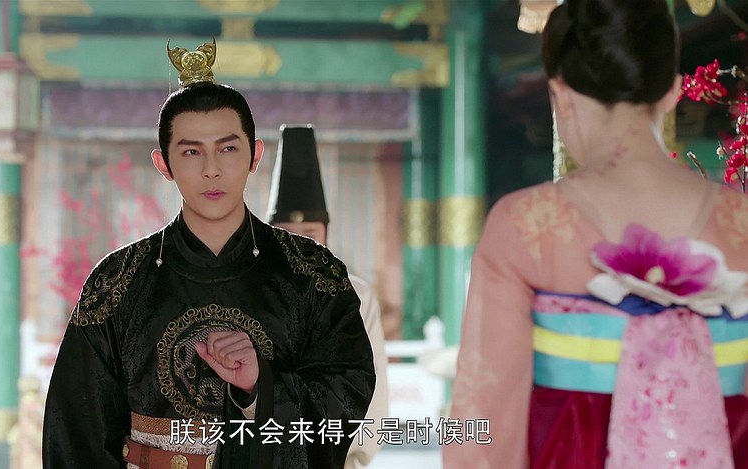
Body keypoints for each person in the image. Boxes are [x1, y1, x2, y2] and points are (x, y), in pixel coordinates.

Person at [42, 39, 375, 469]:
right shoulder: (118, 280)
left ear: (255, 155)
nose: (211, 169)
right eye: (191, 151)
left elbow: (347, 394)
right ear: (163, 164)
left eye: (228, 148)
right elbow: (75, 432)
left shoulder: (314, 275)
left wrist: (260, 388)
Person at [444, 0, 748, 468]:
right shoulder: (740, 222)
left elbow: (483, 424)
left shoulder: (524, 224)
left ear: (561, 94)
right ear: (672, 91)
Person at [265, 124, 390, 469]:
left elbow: (373, 392)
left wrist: (353, 461)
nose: (298, 244)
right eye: (286, 233)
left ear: (325, 235)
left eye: (309, 234)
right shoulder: (253, 290)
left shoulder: (357, 295)